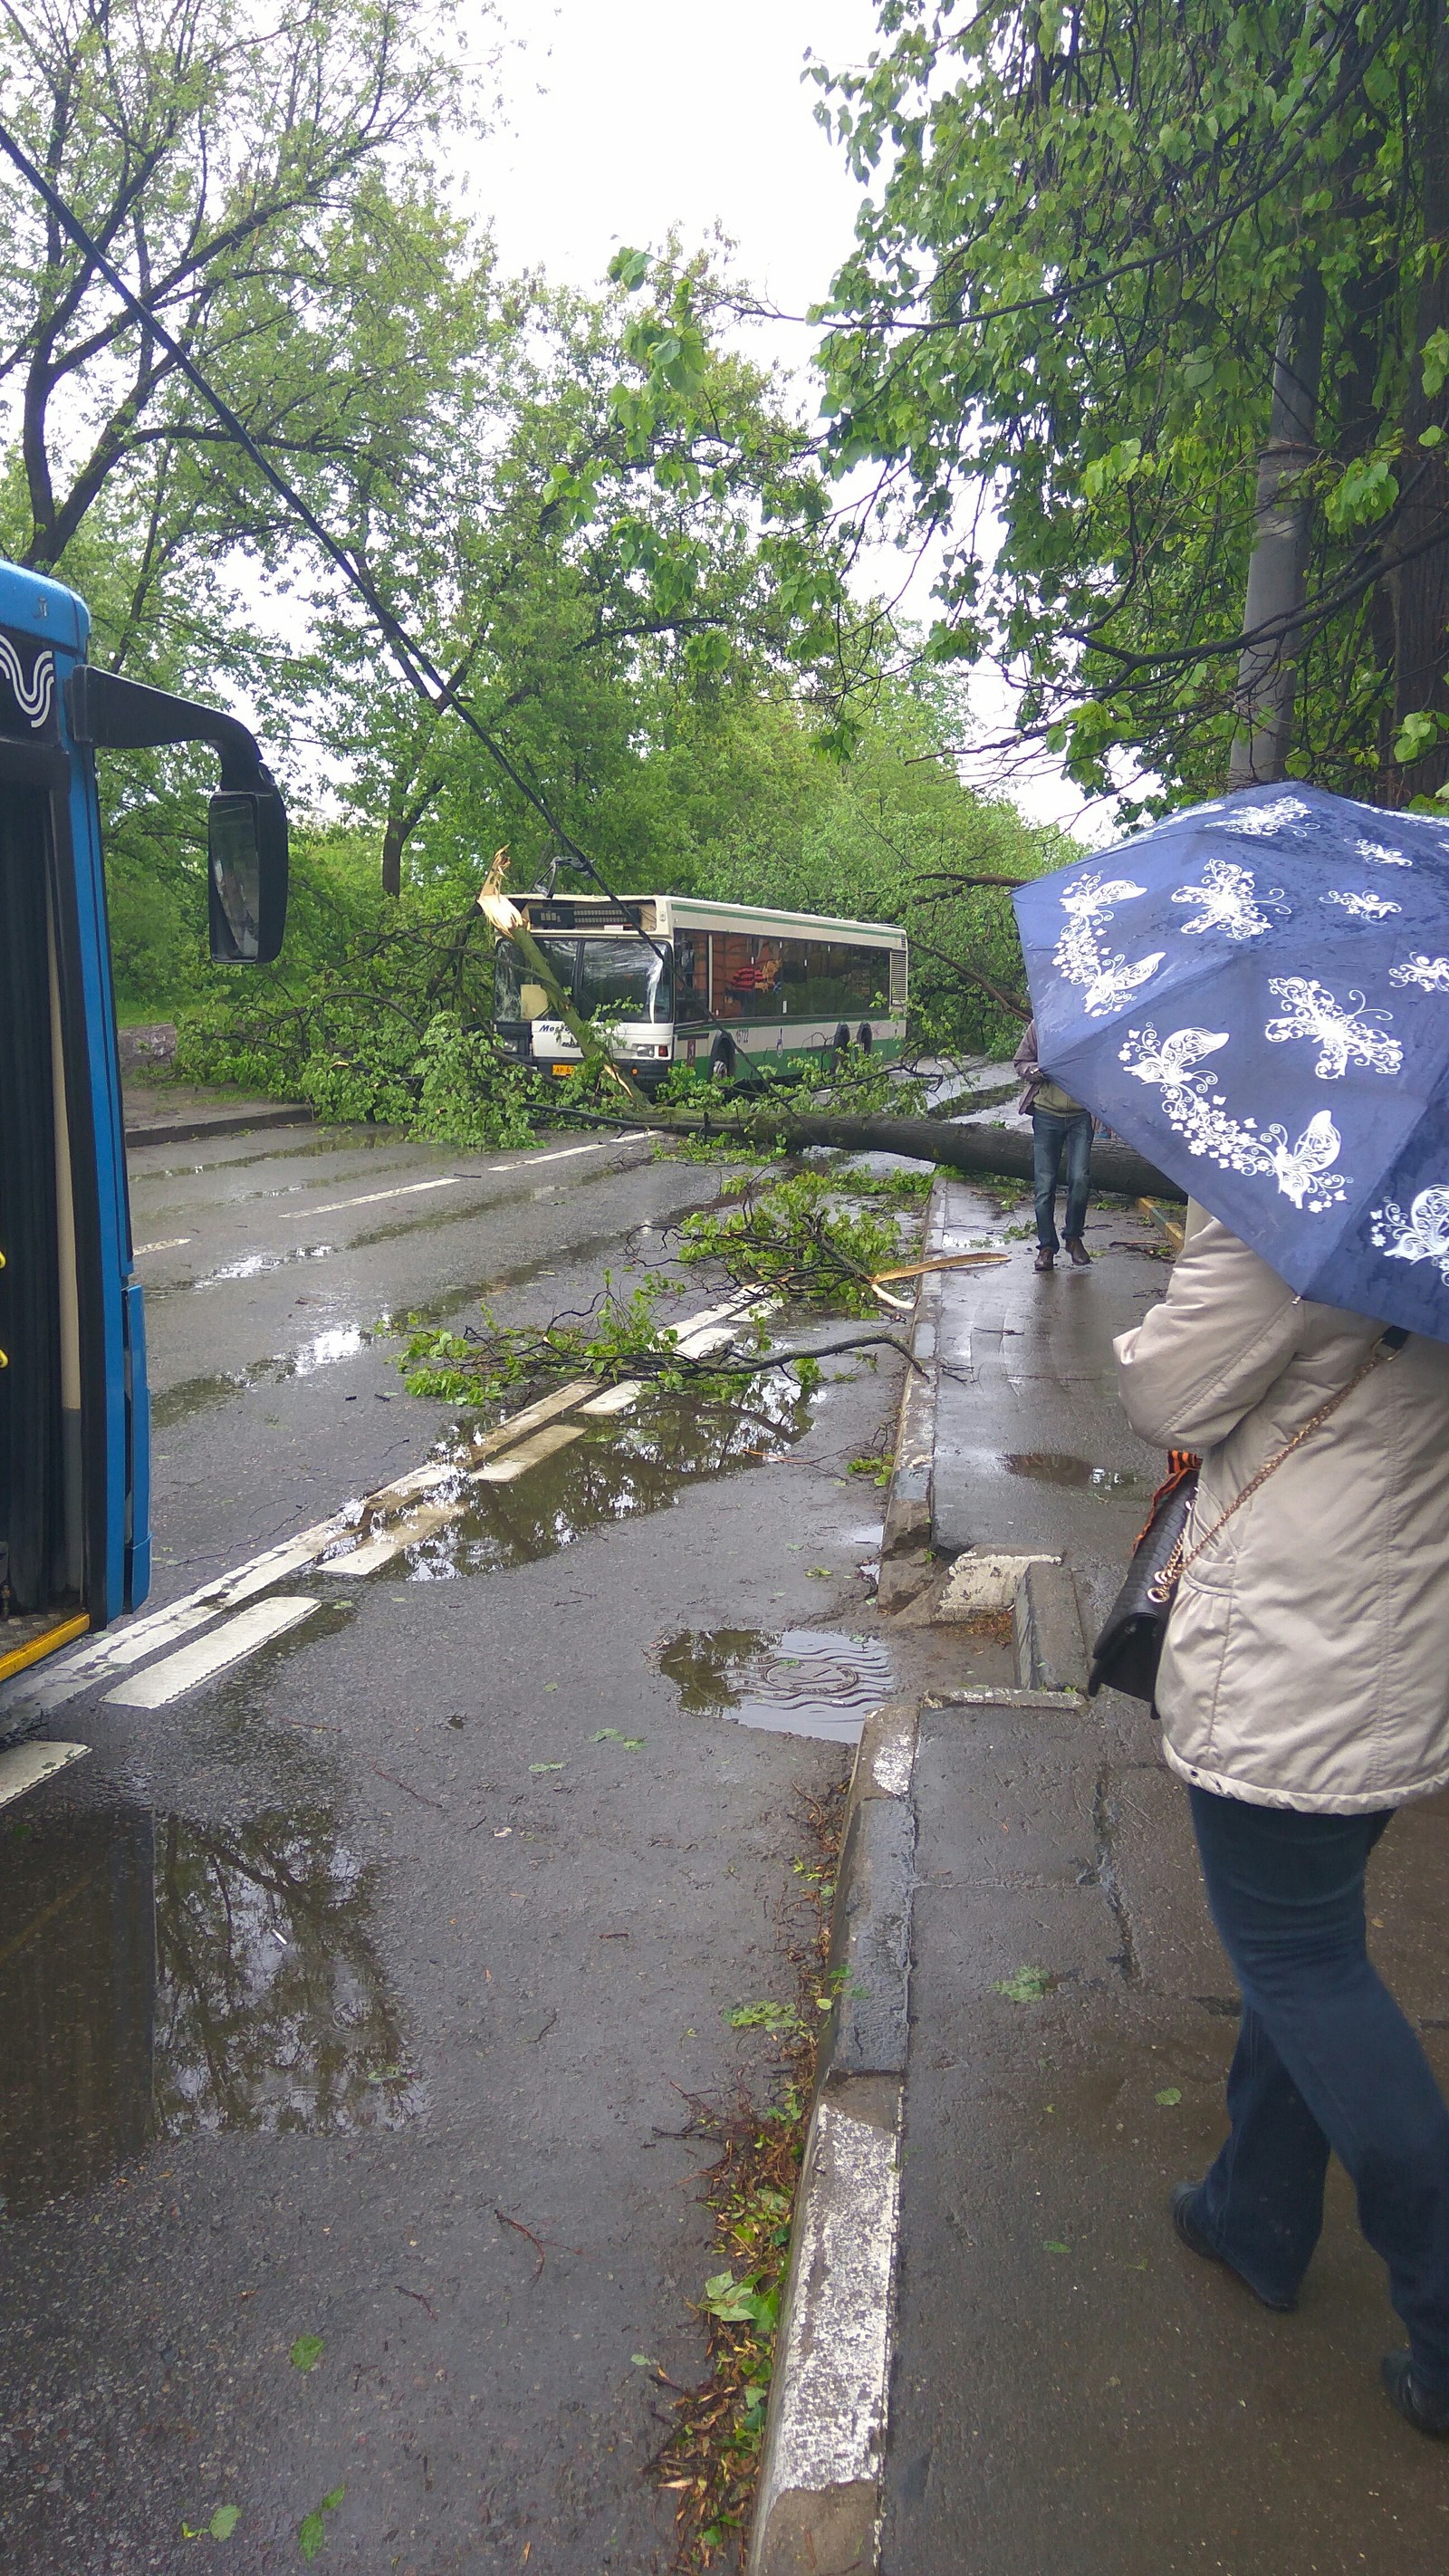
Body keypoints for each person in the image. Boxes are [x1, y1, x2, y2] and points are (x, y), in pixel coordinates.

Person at [1115, 1207, 1449, 2434]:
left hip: (1292, 1660)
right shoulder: (1430, 1214)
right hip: (1402, 1646)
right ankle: (1254, 2214)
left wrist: (1205, 1247)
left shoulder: (1300, 1209)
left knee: (1307, 1967)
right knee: (1303, 1953)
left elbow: (1169, 1394)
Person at [1013, 1015, 1093, 1272]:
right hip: (1047, 1114)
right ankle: (1047, 1247)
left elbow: (1101, 1066)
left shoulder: (1088, 1024)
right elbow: (1021, 1062)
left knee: (1080, 1179)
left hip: (1081, 1115)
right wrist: (1035, 1071)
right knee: (1044, 1184)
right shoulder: (1040, 1025)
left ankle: (1073, 1237)